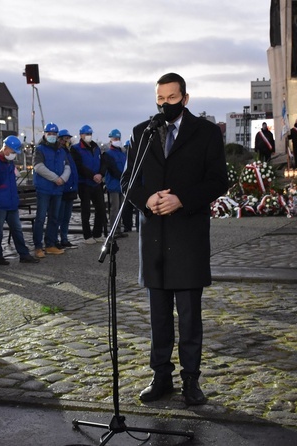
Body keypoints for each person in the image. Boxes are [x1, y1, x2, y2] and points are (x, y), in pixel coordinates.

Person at [122, 72, 228, 406]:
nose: (165, 104)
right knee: (158, 317)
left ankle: (192, 380)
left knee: (189, 316)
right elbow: (127, 181)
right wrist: (146, 201)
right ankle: (161, 377)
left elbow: (218, 181)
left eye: (171, 98)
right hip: (154, 239)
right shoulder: (143, 132)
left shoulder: (206, 132)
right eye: (159, 99)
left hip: (188, 236)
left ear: (185, 97)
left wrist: (182, 198)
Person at [0, 135, 39, 266]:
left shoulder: (8, 162)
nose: (14, 155)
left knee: (17, 229)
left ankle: (24, 254)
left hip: (11, 202)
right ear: (5, 148)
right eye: (13, 152)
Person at [32, 123, 69, 258]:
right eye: (49, 134)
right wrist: (55, 178)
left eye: (54, 134)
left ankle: (50, 244)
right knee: (40, 218)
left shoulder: (61, 150)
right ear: (45, 134)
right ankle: (37, 246)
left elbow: (67, 167)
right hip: (44, 188)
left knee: (54, 218)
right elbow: (38, 167)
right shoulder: (40, 149)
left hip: (57, 189)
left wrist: (63, 179)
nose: (52, 136)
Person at [71, 124, 106, 245]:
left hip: (96, 183)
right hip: (84, 182)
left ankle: (97, 233)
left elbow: (102, 163)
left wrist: (101, 174)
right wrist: (93, 175)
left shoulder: (96, 147)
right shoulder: (75, 149)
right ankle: (87, 235)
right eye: (86, 134)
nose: (88, 136)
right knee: (85, 210)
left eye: (90, 134)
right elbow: (79, 166)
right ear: (81, 135)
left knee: (101, 209)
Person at [102, 129, 128, 238]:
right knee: (114, 209)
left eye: (118, 138)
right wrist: (124, 177)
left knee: (120, 209)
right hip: (113, 185)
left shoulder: (122, 154)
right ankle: (113, 230)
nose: (117, 140)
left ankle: (118, 229)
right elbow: (113, 170)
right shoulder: (108, 154)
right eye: (115, 138)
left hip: (121, 185)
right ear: (111, 139)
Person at [56, 129, 78, 250]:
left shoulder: (68, 152)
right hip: (63, 188)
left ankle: (64, 238)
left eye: (68, 138)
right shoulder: (60, 152)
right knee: (60, 216)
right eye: (64, 138)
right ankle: (57, 239)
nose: (67, 141)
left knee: (67, 216)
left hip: (70, 188)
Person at [121, 139, 137, 233]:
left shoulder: (131, 156)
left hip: (135, 185)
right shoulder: (123, 156)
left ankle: (132, 226)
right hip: (126, 185)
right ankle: (128, 226)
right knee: (126, 208)